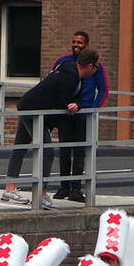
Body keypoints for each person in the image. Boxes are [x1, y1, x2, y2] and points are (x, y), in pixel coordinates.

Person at [0, 49, 101, 208]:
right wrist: (63, 116)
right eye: (96, 67)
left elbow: (74, 98)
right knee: (47, 151)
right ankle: (40, 194)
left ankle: (9, 188)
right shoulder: (71, 76)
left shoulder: (72, 72)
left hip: (28, 106)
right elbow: (60, 102)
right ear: (89, 66)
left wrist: (78, 105)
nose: (96, 71)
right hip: (34, 112)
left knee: (20, 147)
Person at [50, 31, 108, 203]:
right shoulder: (63, 61)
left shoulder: (95, 65)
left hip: (83, 114)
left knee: (80, 152)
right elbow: (52, 83)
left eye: (80, 42)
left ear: (86, 45)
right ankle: (64, 186)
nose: (76, 45)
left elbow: (103, 89)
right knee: (65, 150)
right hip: (65, 113)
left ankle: (76, 188)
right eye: (74, 41)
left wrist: (93, 108)